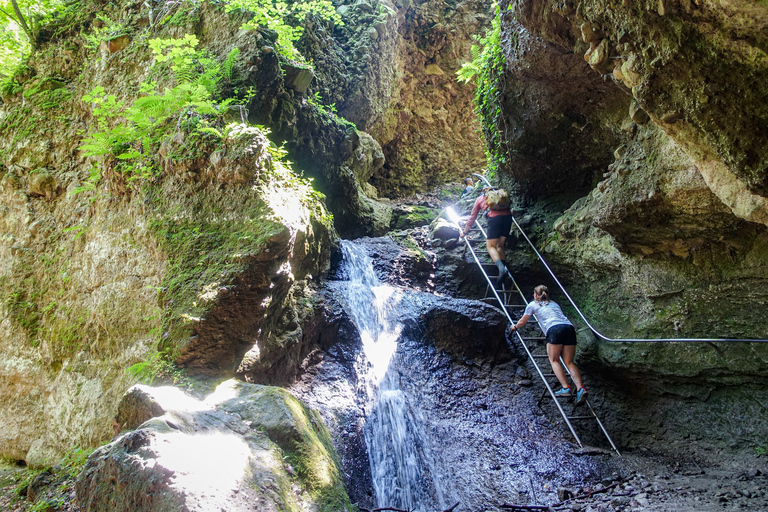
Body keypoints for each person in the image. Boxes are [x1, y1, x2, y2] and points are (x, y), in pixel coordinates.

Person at [509, 285, 587, 405]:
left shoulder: (533, 304)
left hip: (554, 329)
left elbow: (522, 322)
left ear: (535, 295)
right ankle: (580, 388)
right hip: (569, 328)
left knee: (554, 359)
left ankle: (566, 388)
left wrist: (514, 327)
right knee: (569, 362)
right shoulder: (554, 303)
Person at [459, 186, 513, 288]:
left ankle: (501, 269)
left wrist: (464, 232)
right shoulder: (499, 194)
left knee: (490, 246)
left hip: (495, 219)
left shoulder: (480, 199)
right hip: (508, 217)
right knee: (500, 246)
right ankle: (503, 269)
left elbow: (472, 217)